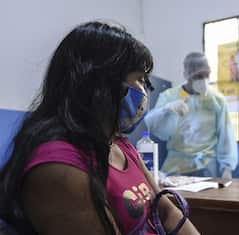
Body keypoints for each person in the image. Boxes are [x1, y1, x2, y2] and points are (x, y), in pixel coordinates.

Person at [0, 21, 199, 235]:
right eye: (140, 79)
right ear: (100, 82)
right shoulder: (58, 167)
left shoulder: (120, 146)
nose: (145, 91)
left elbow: (167, 212)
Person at [145, 52, 238, 179]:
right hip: (175, 166)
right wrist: (167, 109)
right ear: (187, 75)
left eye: (207, 75)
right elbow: (150, 123)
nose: (204, 80)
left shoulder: (217, 100)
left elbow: (226, 134)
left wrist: (227, 167)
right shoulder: (169, 96)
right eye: (198, 76)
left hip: (205, 167)